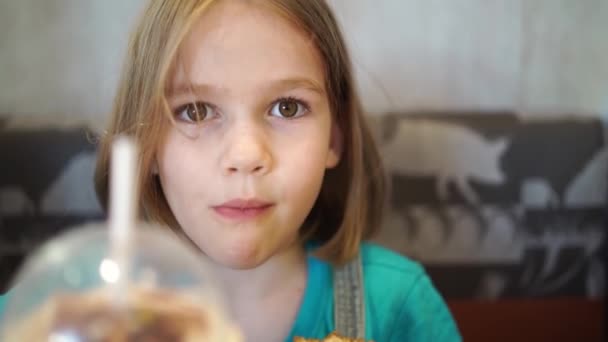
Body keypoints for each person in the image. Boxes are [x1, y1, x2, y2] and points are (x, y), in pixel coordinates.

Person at [1, 0, 461, 341]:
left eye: (287, 106)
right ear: (148, 146)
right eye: (196, 111)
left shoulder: (396, 305)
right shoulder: (52, 313)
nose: (245, 154)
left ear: (334, 138)